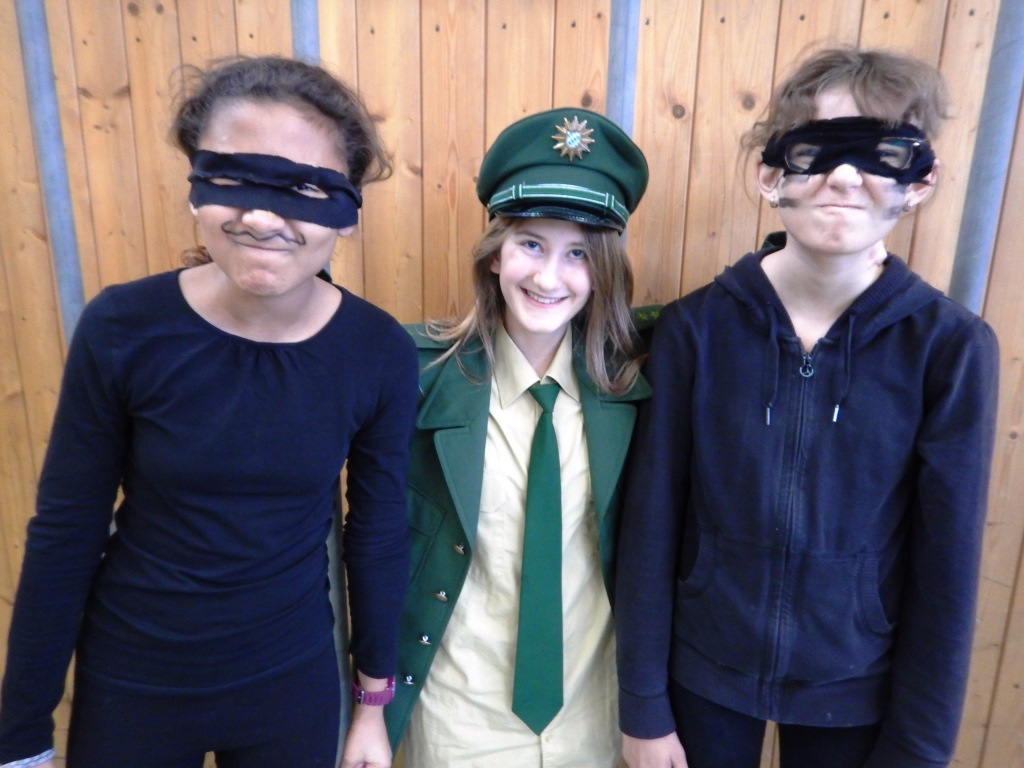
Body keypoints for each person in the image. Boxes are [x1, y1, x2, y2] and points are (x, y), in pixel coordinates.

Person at [0, 56, 418, 768]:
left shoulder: (377, 351)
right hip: (134, 681)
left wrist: (373, 704)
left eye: (303, 189)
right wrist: (22, 736)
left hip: (289, 684)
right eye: (233, 181)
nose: (262, 217)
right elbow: (67, 531)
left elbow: (376, 534)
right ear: (196, 189)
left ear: (346, 212)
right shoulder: (123, 328)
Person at [614, 47, 999, 768]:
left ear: (920, 181)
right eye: (818, 150)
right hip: (703, 675)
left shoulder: (949, 348)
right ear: (771, 175)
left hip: (857, 689)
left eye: (883, 153)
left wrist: (917, 751)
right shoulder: (696, 331)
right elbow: (651, 524)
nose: (846, 177)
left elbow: (947, 569)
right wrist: (642, 706)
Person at [383, 108, 653, 767]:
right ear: (495, 255)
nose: (548, 277)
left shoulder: (639, 384)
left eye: (579, 253)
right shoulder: (416, 373)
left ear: (604, 271)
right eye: (531, 244)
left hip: (594, 720)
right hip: (459, 718)